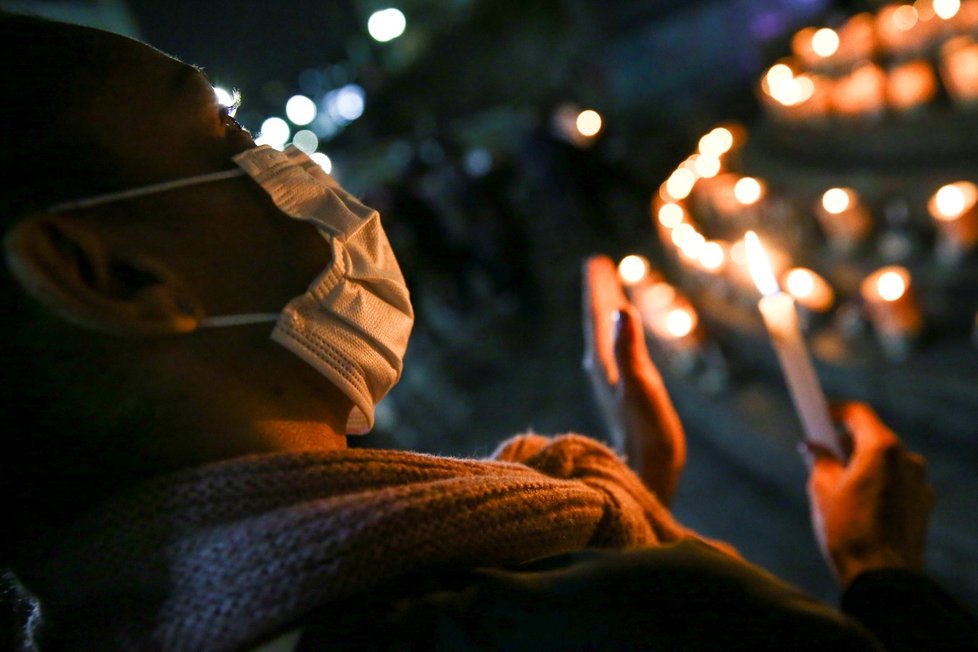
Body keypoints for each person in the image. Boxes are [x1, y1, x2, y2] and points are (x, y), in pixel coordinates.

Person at [0, 10, 973, 651]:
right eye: (224, 141)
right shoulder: (618, 624)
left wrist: (637, 501)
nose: (291, 173)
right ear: (113, 273)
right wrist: (880, 574)